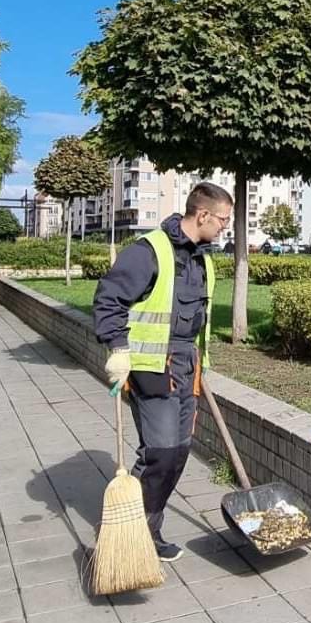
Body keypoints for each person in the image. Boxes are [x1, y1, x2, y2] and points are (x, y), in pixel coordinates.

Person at [93, 181, 233, 562]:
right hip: (152, 366)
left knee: (180, 451)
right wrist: (118, 349)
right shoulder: (148, 251)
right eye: (222, 219)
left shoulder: (202, 257)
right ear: (202, 214)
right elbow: (109, 299)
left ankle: (146, 530)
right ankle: (129, 531)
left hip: (188, 364)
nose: (225, 227)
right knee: (160, 452)